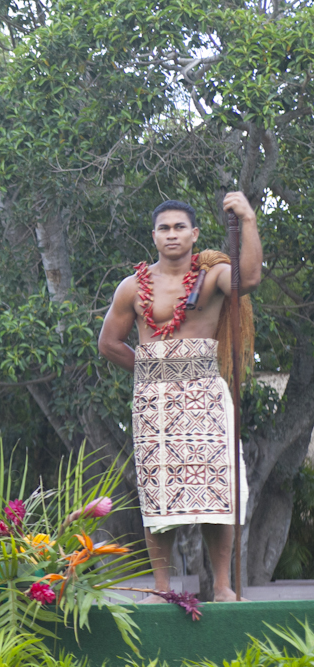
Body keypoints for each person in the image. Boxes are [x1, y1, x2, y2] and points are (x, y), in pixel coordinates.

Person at [98, 193, 262, 602]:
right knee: (159, 492)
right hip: (154, 400)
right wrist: (150, 369)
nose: (172, 234)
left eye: (179, 227)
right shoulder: (133, 286)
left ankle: (222, 586)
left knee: (217, 490)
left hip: (206, 394)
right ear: (153, 236)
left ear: (194, 234)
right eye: (164, 228)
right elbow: (109, 343)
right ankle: (161, 588)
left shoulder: (214, 276)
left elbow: (250, 279)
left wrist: (248, 220)